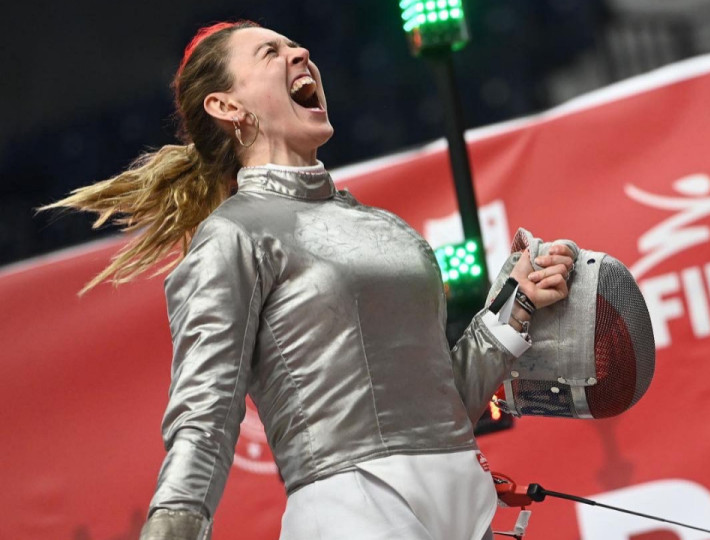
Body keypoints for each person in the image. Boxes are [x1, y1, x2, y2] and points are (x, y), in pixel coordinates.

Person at [42, 21, 575, 540]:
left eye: (296, 45)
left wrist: (517, 304)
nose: (300, 55)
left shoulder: (388, 229)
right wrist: (175, 522)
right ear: (227, 107)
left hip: (465, 499)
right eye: (270, 53)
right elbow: (206, 406)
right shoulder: (233, 234)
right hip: (352, 509)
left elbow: (445, 403)